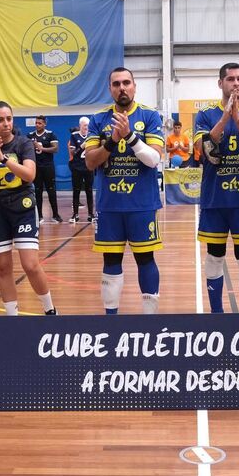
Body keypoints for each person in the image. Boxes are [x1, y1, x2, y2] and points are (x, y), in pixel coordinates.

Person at [85, 67, 165, 314]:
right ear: (110, 88)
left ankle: (149, 320)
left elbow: (154, 159)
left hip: (142, 205)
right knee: (110, 261)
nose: (122, 88)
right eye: (116, 84)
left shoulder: (150, 116)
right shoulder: (98, 119)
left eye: (126, 83)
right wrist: (111, 141)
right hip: (110, 206)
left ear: (134, 86)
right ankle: (112, 320)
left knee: (145, 259)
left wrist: (129, 136)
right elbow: (90, 162)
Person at [194, 62, 239, 313]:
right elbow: (202, 148)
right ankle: (216, 313)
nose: (236, 83)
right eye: (231, 79)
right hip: (215, 199)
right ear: (220, 83)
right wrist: (226, 116)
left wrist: (236, 116)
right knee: (214, 256)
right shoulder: (204, 115)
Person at [0, 102, 57, 316]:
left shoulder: (23, 143)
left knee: (30, 264)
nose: (6, 123)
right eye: (0, 120)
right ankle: (13, 317)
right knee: (3, 267)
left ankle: (50, 310)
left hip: (22, 207)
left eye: (9, 119)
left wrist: (2, 158)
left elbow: (29, 175)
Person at [27, 115, 62, 223]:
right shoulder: (30, 135)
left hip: (48, 166)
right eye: (36, 123)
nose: (37, 125)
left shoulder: (50, 134)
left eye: (40, 123)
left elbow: (55, 149)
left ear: (44, 124)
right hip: (36, 167)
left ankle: (55, 215)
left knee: (51, 190)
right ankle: (40, 215)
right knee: (37, 191)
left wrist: (42, 148)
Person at [68, 116, 94, 222]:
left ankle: (91, 214)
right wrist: (82, 146)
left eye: (88, 126)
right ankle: (75, 214)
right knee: (76, 190)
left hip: (88, 166)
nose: (86, 128)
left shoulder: (92, 136)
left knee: (89, 190)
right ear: (80, 126)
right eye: (84, 126)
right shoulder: (74, 136)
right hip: (77, 167)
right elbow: (73, 153)